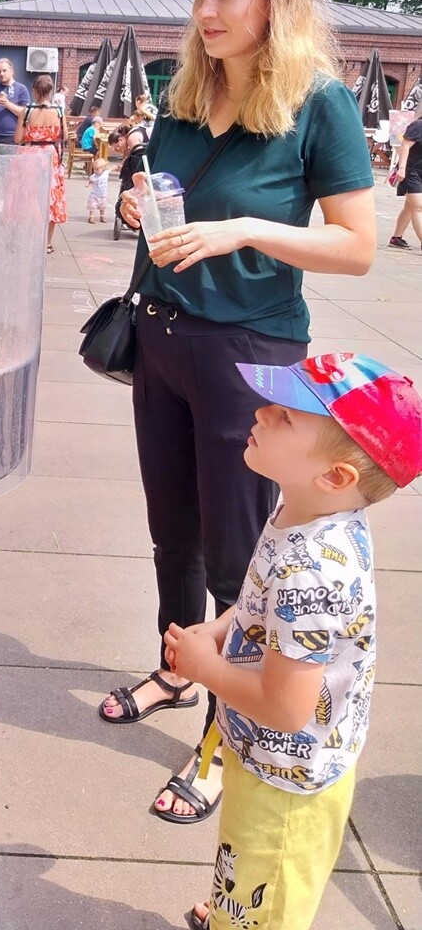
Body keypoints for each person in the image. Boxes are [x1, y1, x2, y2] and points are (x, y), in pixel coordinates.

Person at [106, 0, 376, 827]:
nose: (207, 11)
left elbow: (358, 245)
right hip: (163, 337)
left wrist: (245, 229)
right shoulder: (183, 90)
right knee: (169, 529)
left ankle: (229, 731)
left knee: (238, 550)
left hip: (249, 356)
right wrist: (137, 199)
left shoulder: (318, 101)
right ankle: (179, 669)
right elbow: (161, 195)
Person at [167, 352, 422, 930]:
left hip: (287, 771)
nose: (260, 412)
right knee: (247, 855)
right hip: (265, 755)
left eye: (284, 416)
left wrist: (205, 668)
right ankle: (242, 902)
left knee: (270, 872)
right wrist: (220, 626)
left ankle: (251, 912)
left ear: (336, 475)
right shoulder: (305, 511)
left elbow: (286, 708)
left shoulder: (313, 569)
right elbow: (264, 602)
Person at [14, 72, 67, 253]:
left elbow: (18, 138)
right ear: (51, 91)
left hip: (30, 156)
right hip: (51, 156)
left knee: (30, 197)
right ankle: (47, 242)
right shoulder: (59, 111)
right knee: (51, 198)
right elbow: (64, 136)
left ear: (35, 91)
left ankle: (30, 238)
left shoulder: (27, 111)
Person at [387, 115, 422, 249]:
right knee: (418, 207)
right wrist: (401, 169)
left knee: (410, 207)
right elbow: (405, 146)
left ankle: (396, 238)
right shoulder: (418, 126)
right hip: (411, 171)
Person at [0, 58, 29, 145]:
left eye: (4, 70)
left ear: (11, 71)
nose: (2, 74)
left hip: (12, 136)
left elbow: (24, 114)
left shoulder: (21, 89)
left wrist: (7, 104)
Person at [86, 156, 109, 223]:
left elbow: (111, 168)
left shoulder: (105, 173)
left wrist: (118, 166)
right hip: (94, 195)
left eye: (97, 169)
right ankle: (91, 217)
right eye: (94, 169)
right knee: (92, 206)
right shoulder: (93, 176)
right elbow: (90, 180)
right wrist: (88, 184)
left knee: (102, 207)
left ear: (103, 169)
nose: (95, 171)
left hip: (102, 195)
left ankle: (102, 216)